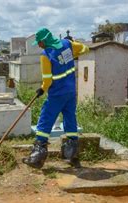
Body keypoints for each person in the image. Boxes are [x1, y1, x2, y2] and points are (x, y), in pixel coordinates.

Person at [23, 27, 89, 169]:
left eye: (39, 42)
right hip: (71, 93)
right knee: (70, 119)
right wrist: (72, 48)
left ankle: (38, 156)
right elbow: (85, 49)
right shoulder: (67, 44)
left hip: (57, 94)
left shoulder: (46, 54)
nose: (39, 45)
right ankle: (73, 156)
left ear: (44, 40)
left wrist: (42, 89)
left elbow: (48, 80)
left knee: (45, 120)